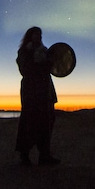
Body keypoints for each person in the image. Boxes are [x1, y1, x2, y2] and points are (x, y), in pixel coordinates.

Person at [15, 26, 60, 166]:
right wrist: (40, 64)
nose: (38, 37)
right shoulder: (24, 51)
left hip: (45, 90)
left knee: (46, 122)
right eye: (36, 34)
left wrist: (48, 61)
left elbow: (52, 68)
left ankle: (44, 155)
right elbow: (25, 70)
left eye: (40, 34)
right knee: (29, 122)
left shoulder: (45, 51)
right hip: (31, 91)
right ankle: (24, 156)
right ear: (30, 36)